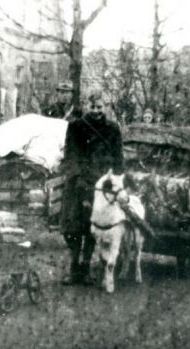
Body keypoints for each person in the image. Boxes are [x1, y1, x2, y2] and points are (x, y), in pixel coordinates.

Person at [59, 90, 124, 286]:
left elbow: (118, 156)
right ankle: (73, 268)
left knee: (93, 227)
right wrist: (77, 176)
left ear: (106, 108)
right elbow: (71, 154)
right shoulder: (76, 126)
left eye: (100, 107)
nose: (96, 111)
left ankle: (86, 268)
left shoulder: (113, 129)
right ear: (87, 106)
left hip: (101, 186)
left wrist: (116, 177)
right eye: (93, 107)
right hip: (78, 183)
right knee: (73, 226)